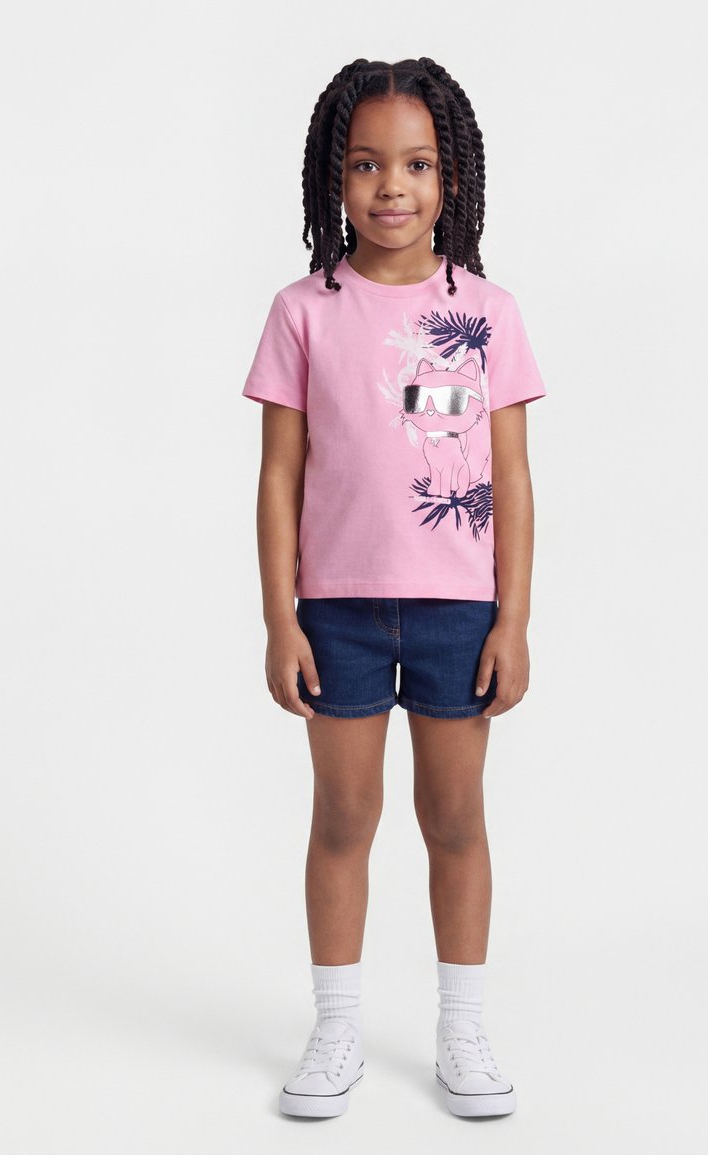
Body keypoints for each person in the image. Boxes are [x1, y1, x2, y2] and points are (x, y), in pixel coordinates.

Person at [241, 57, 546, 1119]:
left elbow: (512, 477)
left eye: (415, 164)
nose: (390, 188)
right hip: (337, 610)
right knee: (344, 815)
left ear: (450, 176)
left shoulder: (489, 311)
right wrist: (279, 618)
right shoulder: (302, 311)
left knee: (453, 816)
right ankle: (335, 1028)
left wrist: (513, 618)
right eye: (365, 164)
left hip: (461, 609)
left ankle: (462, 1029)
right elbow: (279, 477)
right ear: (333, 176)